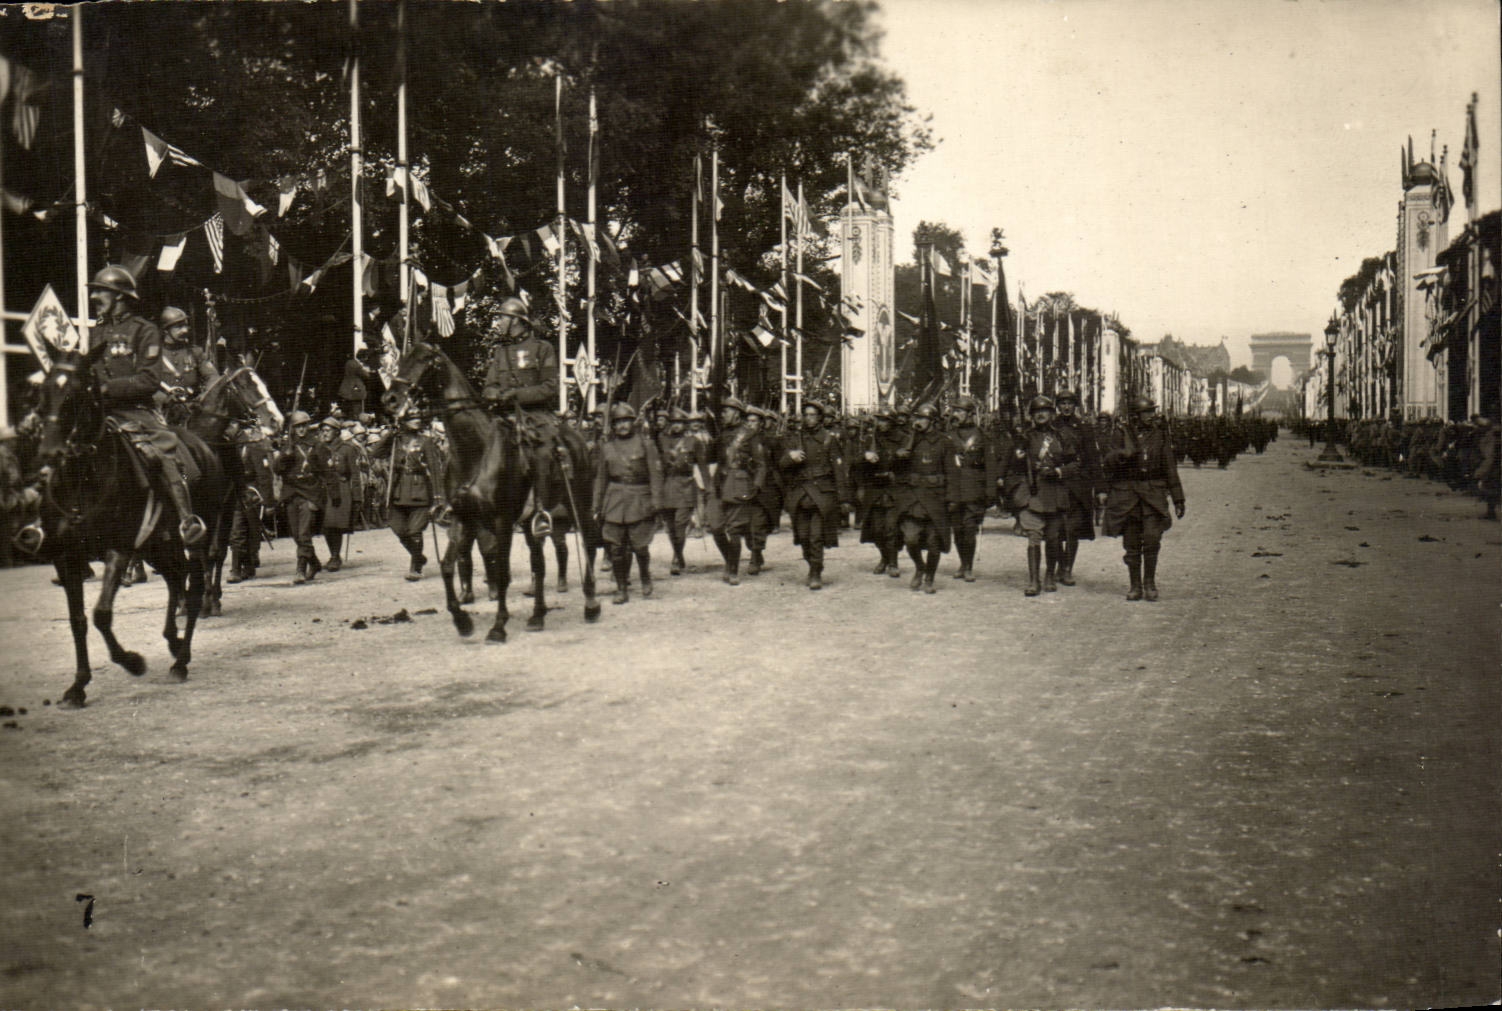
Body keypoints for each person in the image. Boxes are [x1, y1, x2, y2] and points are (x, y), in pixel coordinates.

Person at [84, 265, 206, 545]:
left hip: (137, 412)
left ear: (119, 296)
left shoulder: (144, 330)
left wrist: (107, 388)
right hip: (102, 412)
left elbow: (150, 380)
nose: (95, 297)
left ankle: (187, 520)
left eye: (100, 292)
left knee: (162, 454)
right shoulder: (96, 332)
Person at [480, 295, 560, 532]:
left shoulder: (542, 348)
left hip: (536, 416)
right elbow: (489, 386)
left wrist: (516, 395)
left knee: (543, 453)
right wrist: (495, 394)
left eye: (503, 318)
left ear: (516, 320)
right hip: (505, 418)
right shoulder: (500, 352)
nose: (499, 323)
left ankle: (541, 510)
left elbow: (549, 387)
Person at [1100, 396, 1186, 601]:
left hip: (1153, 493)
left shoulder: (1160, 434)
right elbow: (1107, 460)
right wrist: (1123, 454)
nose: (1151, 416)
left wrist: (1178, 499)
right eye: (1146, 412)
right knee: (1131, 542)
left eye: (1151, 412)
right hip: (1128, 494)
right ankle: (1135, 585)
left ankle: (1149, 582)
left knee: (1152, 539)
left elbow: (1169, 466)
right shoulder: (1121, 433)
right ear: (1135, 415)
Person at [1003, 395, 1078, 596]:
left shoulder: (1061, 437)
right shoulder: (1025, 437)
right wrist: (1019, 456)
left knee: (1053, 538)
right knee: (1034, 537)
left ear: (1052, 414)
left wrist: (1058, 471)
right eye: (1037, 412)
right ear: (1032, 416)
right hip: (1032, 491)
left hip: (1054, 492)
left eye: (1045, 411)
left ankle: (1050, 576)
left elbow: (1074, 464)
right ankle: (1033, 580)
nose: (1041, 415)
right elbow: (1011, 466)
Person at [593, 402, 664, 604]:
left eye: (626, 421)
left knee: (640, 546)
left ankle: (644, 576)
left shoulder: (646, 444)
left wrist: (656, 502)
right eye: (618, 422)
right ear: (613, 426)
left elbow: (656, 475)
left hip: (639, 499)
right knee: (615, 548)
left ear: (633, 423)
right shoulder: (607, 448)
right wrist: (596, 506)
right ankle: (621, 588)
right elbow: (601, 478)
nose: (622, 425)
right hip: (614, 500)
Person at [778, 400, 852, 590]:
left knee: (816, 536)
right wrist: (790, 457)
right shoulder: (794, 438)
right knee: (803, 536)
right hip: (800, 492)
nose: (809, 418)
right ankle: (813, 564)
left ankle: (815, 572)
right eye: (806, 415)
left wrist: (843, 498)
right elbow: (781, 465)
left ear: (819, 417)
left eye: (813, 415)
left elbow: (838, 469)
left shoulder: (829, 439)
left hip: (822, 492)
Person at [891, 402, 959, 594]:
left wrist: (952, 498)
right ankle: (920, 567)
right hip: (913, 498)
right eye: (917, 418)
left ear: (933, 421)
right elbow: (896, 469)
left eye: (923, 418)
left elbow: (952, 472)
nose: (918, 421)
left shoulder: (944, 442)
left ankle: (929, 577)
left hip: (935, 498)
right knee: (910, 539)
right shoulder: (909, 440)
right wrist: (898, 455)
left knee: (933, 543)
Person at [370, 414, 447, 581]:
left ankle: (416, 567)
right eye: (412, 417)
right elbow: (375, 453)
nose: (417, 420)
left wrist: (438, 497)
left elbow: (435, 469)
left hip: (419, 491)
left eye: (418, 417)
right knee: (398, 528)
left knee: (415, 531)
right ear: (403, 421)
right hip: (397, 490)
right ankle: (418, 555)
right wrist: (389, 435)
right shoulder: (395, 440)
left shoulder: (426, 441)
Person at [704, 396, 767, 585]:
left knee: (734, 530)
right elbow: (711, 459)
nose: (722, 415)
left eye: (726, 411)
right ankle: (729, 560)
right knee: (715, 528)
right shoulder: (721, 435)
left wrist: (755, 486)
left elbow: (761, 464)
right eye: (722, 412)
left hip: (739, 484)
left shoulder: (749, 435)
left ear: (737, 414)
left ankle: (733, 570)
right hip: (719, 485)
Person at [946, 395, 1003, 582]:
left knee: (969, 529)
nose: (956, 414)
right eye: (955, 411)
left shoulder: (982, 436)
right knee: (957, 529)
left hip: (974, 488)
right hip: (954, 489)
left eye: (959, 411)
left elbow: (991, 465)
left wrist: (990, 492)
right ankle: (962, 563)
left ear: (970, 414)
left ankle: (968, 566)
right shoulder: (949, 436)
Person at [273, 410, 330, 583]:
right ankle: (314, 562)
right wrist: (285, 456)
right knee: (296, 534)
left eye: (304, 425)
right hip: (291, 494)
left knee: (304, 533)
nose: (301, 429)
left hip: (310, 493)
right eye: (297, 426)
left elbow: (325, 472)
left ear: (308, 426)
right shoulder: (288, 445)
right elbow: (277, 469)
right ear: (293, 428)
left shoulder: (317, 445)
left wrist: (323, 498)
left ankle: (300, 569)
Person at [1052, 389, 1099, 586]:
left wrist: (1100, 488)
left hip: (1078, 484)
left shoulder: (1084, 428)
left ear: (1075, 405)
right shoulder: (1051, 426)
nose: (1066, 407)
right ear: (1057, 405)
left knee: (1072, 530)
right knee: (1054, 530)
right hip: (1055, 482)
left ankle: (1067, 569)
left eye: (1070, 403)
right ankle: (1061, 563)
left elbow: (1093, 459)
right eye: (1062, 403)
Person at [856, 405, 905, 578]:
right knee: (877, 530)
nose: (881, 423)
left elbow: (910, 465)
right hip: (875, 488)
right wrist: (865, 457)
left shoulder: (903, 439)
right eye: (880, 420)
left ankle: (893, 562)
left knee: (891, 528)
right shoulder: (871, 439)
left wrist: (899, 461)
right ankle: (884, 558)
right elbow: (855, 463)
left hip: (893, 489)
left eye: (885, 420)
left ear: (892, 422)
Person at [226, 419, 275, 583]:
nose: (229, 428)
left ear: (238, 426)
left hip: (251, 495)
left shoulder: (253, 448)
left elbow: (264, 476)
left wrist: (268, 502)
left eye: (231, 425)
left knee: (252, 532)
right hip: (234, 495)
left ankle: (248, 565)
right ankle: (236, 568)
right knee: (237, 531)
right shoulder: (226, 448)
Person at [657, 407, 703, 575]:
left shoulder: (693, 442)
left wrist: (709, 488)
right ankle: (679, 554)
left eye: (680, 423)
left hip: (685, 486)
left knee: (679, 525)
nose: (676, 426)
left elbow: (703, 466)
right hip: (667, 486)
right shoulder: (663, 440)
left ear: (685, 425)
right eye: (674, 423)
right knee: (670, 526)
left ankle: (676, 558)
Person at [156, 306, 219, 425]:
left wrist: (204, 397)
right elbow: (144, 383)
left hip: (192, 411)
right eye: (179, 327)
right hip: (163, 414)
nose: (185, 330)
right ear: (165, 330)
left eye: (186, 326)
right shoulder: (154, 356)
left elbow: (213, 377)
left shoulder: (195, 352)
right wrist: (163, 399)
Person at [319, 417, 360, 571]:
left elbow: (355, 475)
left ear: (336, 432)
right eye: (323, 431)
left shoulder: (347, 449)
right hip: (324, 490)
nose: (325, 433)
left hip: (341, 490)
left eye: (328, 430)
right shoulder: (319, 448)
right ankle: (334, 554)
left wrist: (357, 497)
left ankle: (335, 556)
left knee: (334, 525)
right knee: (326, 525)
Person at [338, 349, 377, 419]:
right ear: (364, 357)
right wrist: (367, 370)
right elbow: (366, 376)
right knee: (356, 411)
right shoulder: (357, 366)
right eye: (366, 357)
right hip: (355, 391)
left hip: (346, 389)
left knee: (347, 411)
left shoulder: (349, 362)